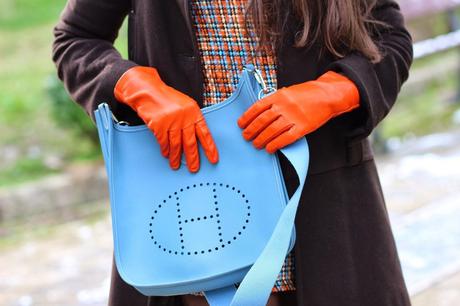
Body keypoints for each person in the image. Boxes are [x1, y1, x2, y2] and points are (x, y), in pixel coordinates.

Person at [52, 0, 413, 305]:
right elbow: (76, 39)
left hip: (328, 221)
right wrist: (140, 89)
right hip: (189, 224)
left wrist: (328, 95)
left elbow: (390, 41)